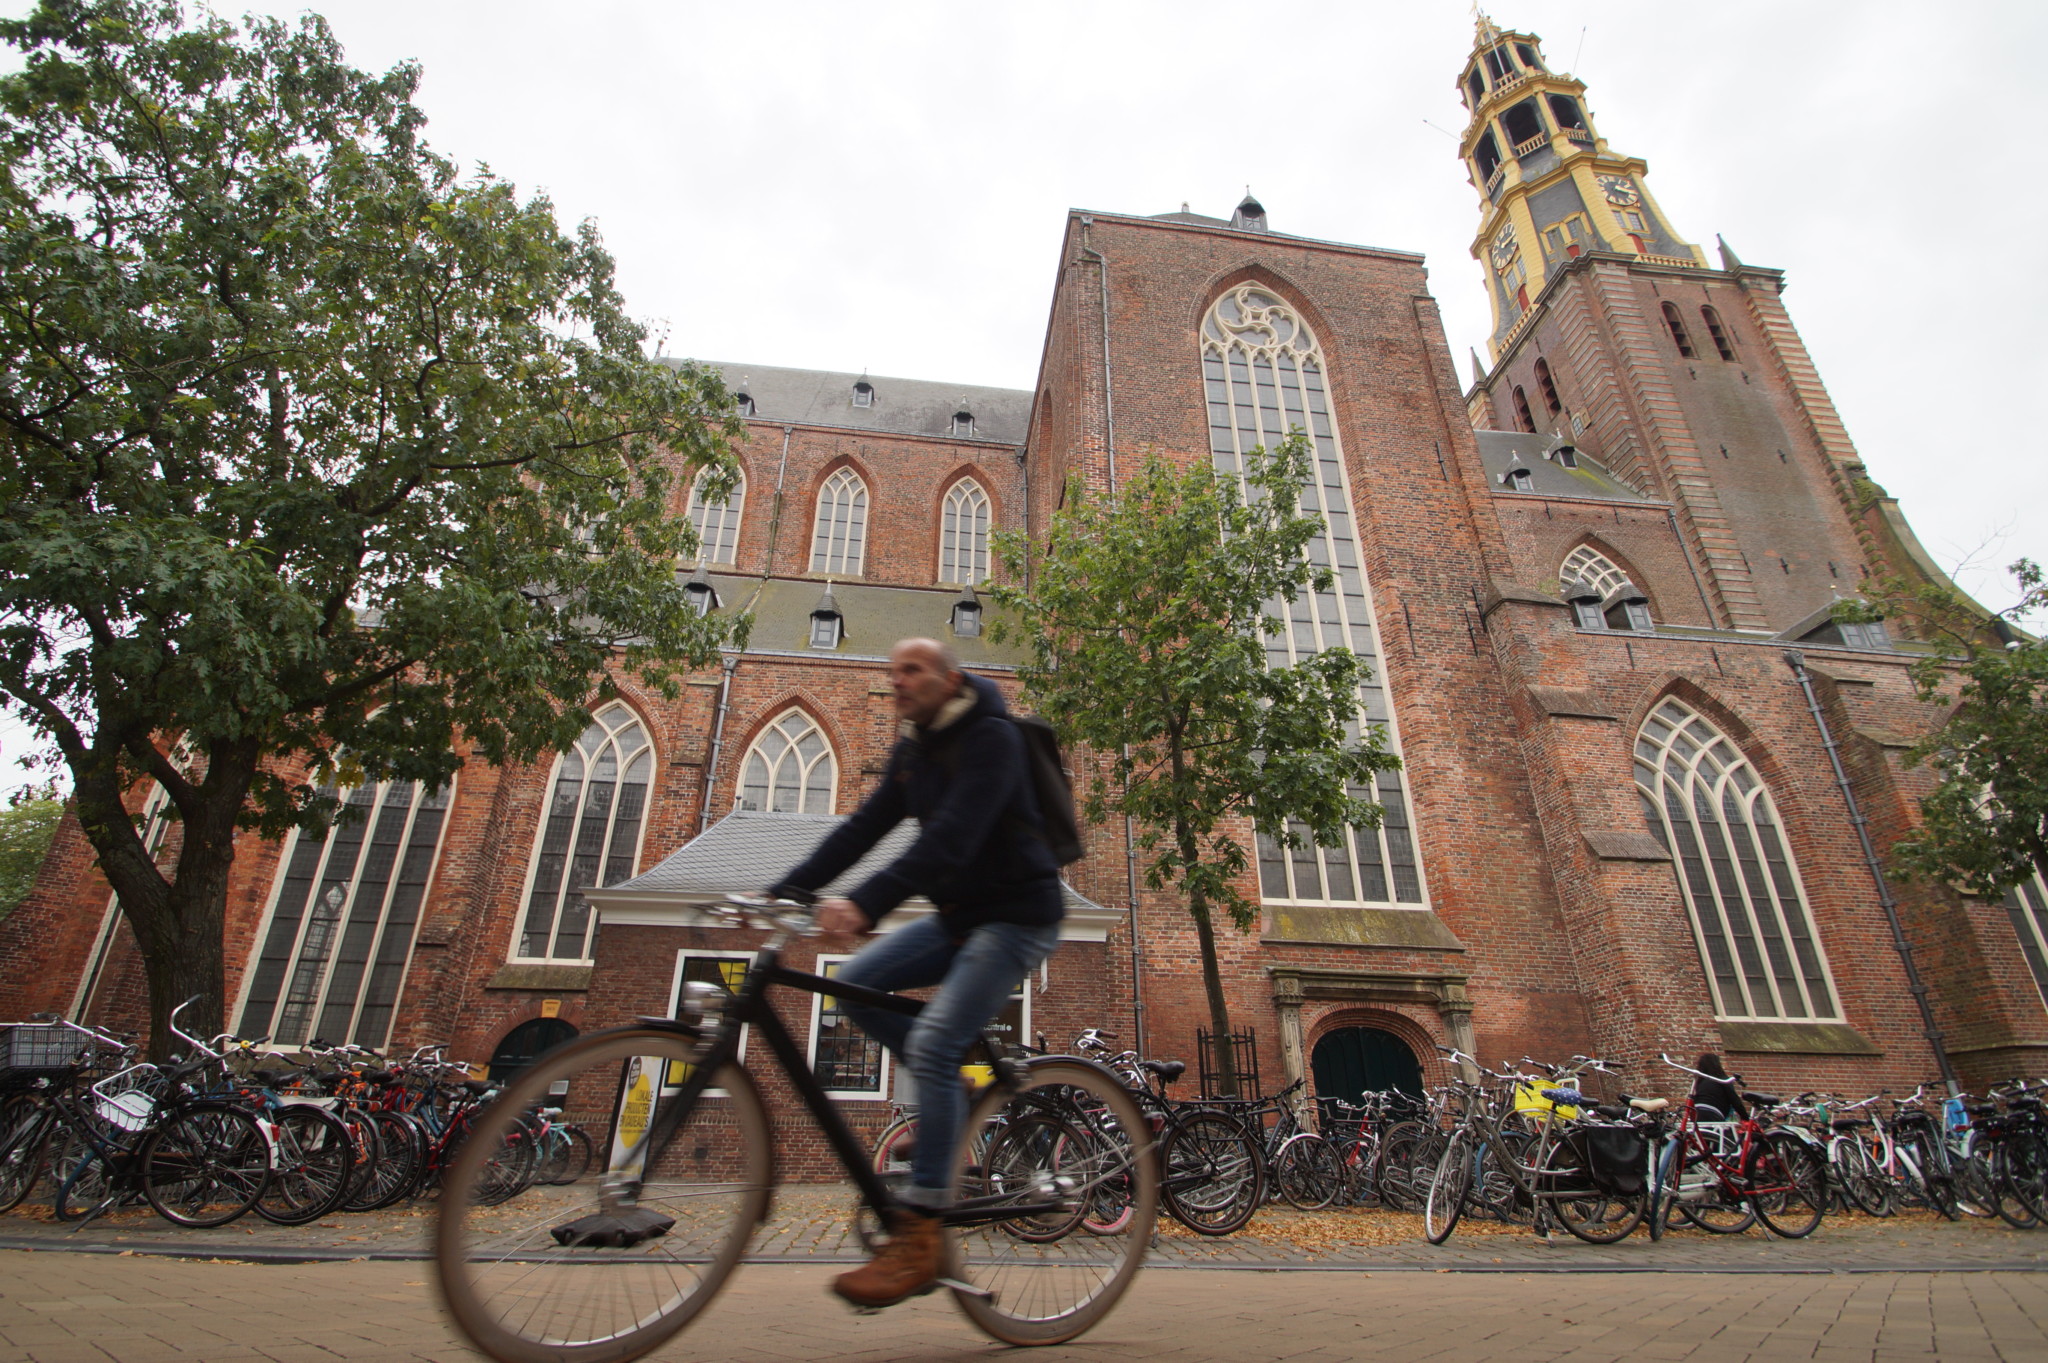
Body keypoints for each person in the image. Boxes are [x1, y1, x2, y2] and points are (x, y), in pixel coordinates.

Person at [769, 636, 1063, 1309]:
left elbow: (950, 841)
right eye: (891, 668)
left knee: (930, 1043)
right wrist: (785, 891)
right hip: (960, 917)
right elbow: (860, 830)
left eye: (912, 669)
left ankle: (923, 1236)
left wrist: (867, 901)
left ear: (949, 678)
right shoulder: (914, 753)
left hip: (1018, 916)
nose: (897, 679)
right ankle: (952, 1083)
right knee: (856, 983)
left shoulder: (992, 739)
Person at [1690, 1052, 1748, 1123]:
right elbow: (1735, 1100)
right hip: (1713, 1113)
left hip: (1696, 1111)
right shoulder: (1722, 1079)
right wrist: (1746, 1118)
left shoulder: (1700, 1081)